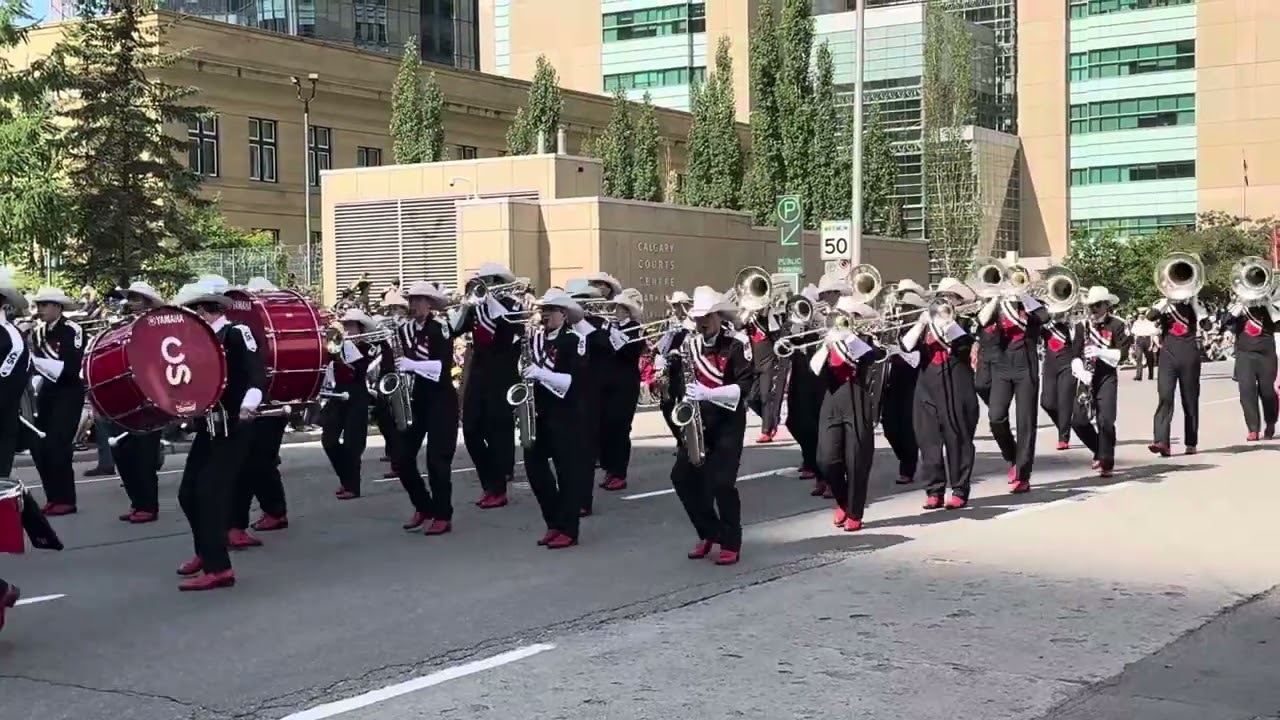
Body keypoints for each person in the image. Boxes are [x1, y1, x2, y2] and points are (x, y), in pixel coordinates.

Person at [172, 279, 265, 591]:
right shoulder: (196, 341)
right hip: (208, 427)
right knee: (188, 494)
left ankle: (219, 568)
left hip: (232, 426)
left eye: (190, 311)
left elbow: (256, 372)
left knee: (209, 493)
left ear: (202, 310)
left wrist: (249, 403)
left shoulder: (236, 332)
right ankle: (206, 549)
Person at [669, 286, 753, 566]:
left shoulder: (736, 345)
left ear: (718, 316)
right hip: (697, 422)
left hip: (727, 423)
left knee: (722, 483)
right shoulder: (688, 346)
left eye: (706, 317)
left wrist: (709, 393)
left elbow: (744, 387)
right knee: (682, 478)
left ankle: (730, 542)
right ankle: (709, 532)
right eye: (697, 318)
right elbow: (681, 384)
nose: (701, 323)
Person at [520, 289, 593, 549]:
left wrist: (539, 373)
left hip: (566, 414)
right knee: (534, 468)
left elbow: (571, 381)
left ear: (563, 314)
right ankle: (553, 521)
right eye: (543, 310)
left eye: (551, 310)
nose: (545, 315)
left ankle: (569, 529)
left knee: (567, 473)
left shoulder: (574, 341)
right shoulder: (535, 340)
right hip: (539, 413)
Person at [450, 264, 525, 509]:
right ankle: (488, 483)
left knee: (497, 433)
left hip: (502, 376)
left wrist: (491, 302)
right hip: (479, 374)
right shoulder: (476, 308)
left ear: (500, 282)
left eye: (489, 281)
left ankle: (498, 488)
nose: (485, 286)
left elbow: (514, 328)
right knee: (470, 430)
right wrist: (464, 306)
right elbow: (454, 329)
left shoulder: (513, 306)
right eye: (481, 281)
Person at [900, 281, 979, 509]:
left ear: (959, 300)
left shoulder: (966, 321)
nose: (945, 300)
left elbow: (965, 344)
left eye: (951, 296)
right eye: (942, 295)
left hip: (957, 383)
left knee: (958, 438)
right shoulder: (926, 323)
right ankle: (934, 490)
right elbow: (906, 346)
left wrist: (948, 322)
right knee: (928, 440)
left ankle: (960, 489)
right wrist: (921, 323)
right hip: (927, 385)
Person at [814, 297, 886, 532]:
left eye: (847, 317)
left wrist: (849, 336)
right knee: (826, 459)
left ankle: (855, 512)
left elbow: (871, 357)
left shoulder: (864, 340)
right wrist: (827, 344)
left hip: (857, 398)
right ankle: (843, 500)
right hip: (831, 400)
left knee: (856, 460)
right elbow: (814, 368)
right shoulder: (827, 341)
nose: (842, 321)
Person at [395, 281, 459, 535]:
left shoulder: (440, 328)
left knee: (437, 460)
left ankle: (443, 515)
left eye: (419, 300)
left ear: (430, 304)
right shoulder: (406, 330)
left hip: (442, 399)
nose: (414, 305)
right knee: (401, 457)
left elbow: (441, 367)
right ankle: (423, 506)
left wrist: (411, 365)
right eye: (412, 300)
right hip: (418, 398)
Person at [975, 282, 1049, 493]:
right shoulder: (998, 307)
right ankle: (1012, 455)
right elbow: (981, 321)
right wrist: (997, 298)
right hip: (1002, 365)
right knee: (996, 417)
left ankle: (1023, 475)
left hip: (1026, 366)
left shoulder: (1031, 305)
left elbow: (1044, 317)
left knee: (1026, 421)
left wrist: (1023, 296)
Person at [28, 287, 86, 516]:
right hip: (47, 391)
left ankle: (66, 499)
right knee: (39, 445)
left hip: (68, 391)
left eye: (44, 305)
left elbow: (71, 366)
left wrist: (38, 364)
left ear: (57, 306)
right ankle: (52, 496)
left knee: (58, 444)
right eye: (38, 305)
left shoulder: (73, 330)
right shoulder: (37, 333)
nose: (40, 310)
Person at [113, 281, 167, 523]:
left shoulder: (157, 327)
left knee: (144, 454)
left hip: (149, 396)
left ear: (147, 302)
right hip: (126, 395)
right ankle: (137, 502)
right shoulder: (124, 326)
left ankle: (148, 505)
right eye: (131, 298)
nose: (132, 303)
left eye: (136, 299)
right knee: (123, 451)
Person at [1070, 287, 1130, 477]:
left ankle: (1106, 461)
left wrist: (1100, 352)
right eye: (1090, 306)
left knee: (1106, 420)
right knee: (1078, 421)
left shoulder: (1118, 324)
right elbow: (1075, 354)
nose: (1092, 310)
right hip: (1086, 376)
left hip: (1106, 376)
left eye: (1096, 305)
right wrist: (1080, 371)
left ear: (1106, 305)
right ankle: (1099, 449)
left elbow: (1122, 354)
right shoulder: (1082, 326)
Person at [323, 309, 379, 500]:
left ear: (360, 328)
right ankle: (346, 479)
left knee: (352, 444)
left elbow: (358, 370)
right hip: (338, 393)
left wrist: (344, 349)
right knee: (328, 440)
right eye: (345, 326)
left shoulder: (367, 348)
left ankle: (353, 486)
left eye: (351, 326)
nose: (347, 330)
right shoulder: (337, 344)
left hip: (357, 394)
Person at [1147, 296, 1209, 455]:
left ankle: (1191, 442)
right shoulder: (1165, 305)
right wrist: (1165, 301)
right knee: (1165, 396)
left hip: (1189, 354)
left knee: (1190, 400)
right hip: (1168, 355)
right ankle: (1161, 441)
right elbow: (1150, 316)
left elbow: (1207, 326)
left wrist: (1196, 305)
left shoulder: (1195, 305)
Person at [597, 289, 646, 492]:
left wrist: (612, 331)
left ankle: (619, 473)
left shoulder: (635, 329)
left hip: (625, 386)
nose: (614, 310)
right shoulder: (609, 328)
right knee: (605, 428)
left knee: (620, 429)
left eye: (618, 307)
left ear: (627, 310)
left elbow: (630, 352)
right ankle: (610, 469)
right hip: (606, 385)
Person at [881, 284, 927, 486]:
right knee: (889, 425)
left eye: (908, 308)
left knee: (908, 426)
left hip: (914, 381)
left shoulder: (923, 329)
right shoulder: (896, 326)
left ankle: (907, 467)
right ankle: (905, 457)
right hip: (893, 379)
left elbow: (916, 357)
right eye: (902, 307)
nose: (903, 311)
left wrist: (898, 354)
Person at [782, 284, 825, 490]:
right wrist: (795, 328)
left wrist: (820, 322)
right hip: (799, 377)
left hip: (818, 378)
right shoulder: (796, 325)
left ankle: (820, 472)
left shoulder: (822, 322)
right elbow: (783, 345)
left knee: (815, 424)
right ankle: (811, 461)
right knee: (794, 422)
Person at [1222, 291, 1280, 441]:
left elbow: (1278, 323)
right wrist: (1240, 305)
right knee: (1246, 391)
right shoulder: (1239, 307)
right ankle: (1253, 429)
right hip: (1245, 354)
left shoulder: (1269, 305)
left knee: (1268, 392)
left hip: (1266, 354)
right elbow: (1226, 321)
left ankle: (1270, 421)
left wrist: (1268, 304)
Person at [374, 289, 409, 478]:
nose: (392, 312)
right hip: (386, 375)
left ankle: (399, 463)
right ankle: (394, 454)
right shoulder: (384, 327)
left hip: (402, 375)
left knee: (400, 421)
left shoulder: (409, 327)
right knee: (383, 417)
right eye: (390, 308)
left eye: (396, 308)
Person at [1040, 303, 1077, 451]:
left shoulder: (1073, 325)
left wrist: (1067, 318)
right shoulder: (1046, 324)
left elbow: (1077, 339)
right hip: (1050, 365)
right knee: (1047, 403)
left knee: (1065, 402)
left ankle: (1063, 437)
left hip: (1068, 365)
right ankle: (1063, 424)